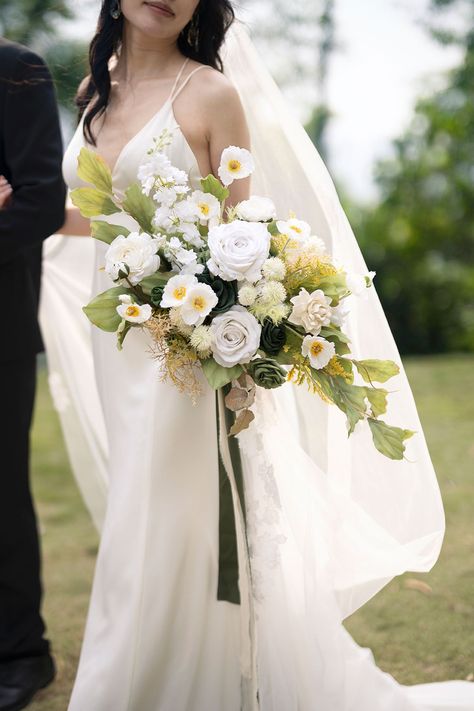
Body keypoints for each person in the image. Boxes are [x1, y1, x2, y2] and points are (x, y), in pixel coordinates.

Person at [44, 1, 474, 709]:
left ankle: (189, 681)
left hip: (189, 349)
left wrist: (234, 343)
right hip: (120, 339)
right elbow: (101, 216)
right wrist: (24, 209)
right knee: (139, 505)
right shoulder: (99, 89)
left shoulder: (211, 93)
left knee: (178, 514)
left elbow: (243, 233)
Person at [0, 38, 65, 711]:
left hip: (1, 324)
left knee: (0, 493)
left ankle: (23, 653)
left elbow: (41, 202)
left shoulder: (16, 70)